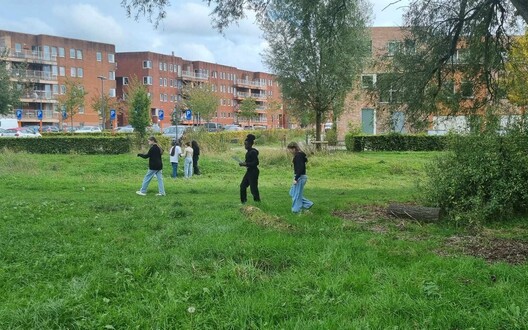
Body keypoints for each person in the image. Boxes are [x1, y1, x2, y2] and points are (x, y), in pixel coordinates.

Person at [287, 142, 314, 213]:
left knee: (296, 195)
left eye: (290, 149)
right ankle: (308, 204)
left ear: (294, 148)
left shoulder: (298, 156)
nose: (289, 151)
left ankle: (296, 211)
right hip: (300, 176)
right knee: (292, 193)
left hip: (300, 177)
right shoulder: (300, 155)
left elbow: (301, 168)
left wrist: (296, 178)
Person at [239, 134, 261, 203]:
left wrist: (246, 164)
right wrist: (243, 164)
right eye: (244, 144)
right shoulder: (248, 152)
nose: (245, 146)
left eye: (246, 144)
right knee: (242, 186)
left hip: (253, 172)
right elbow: (248, 162)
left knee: (253, 188)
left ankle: (257, 201)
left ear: (250, 144)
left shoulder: (253, 152)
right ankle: (243, 202)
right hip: (249, 171)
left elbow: (256, 163)